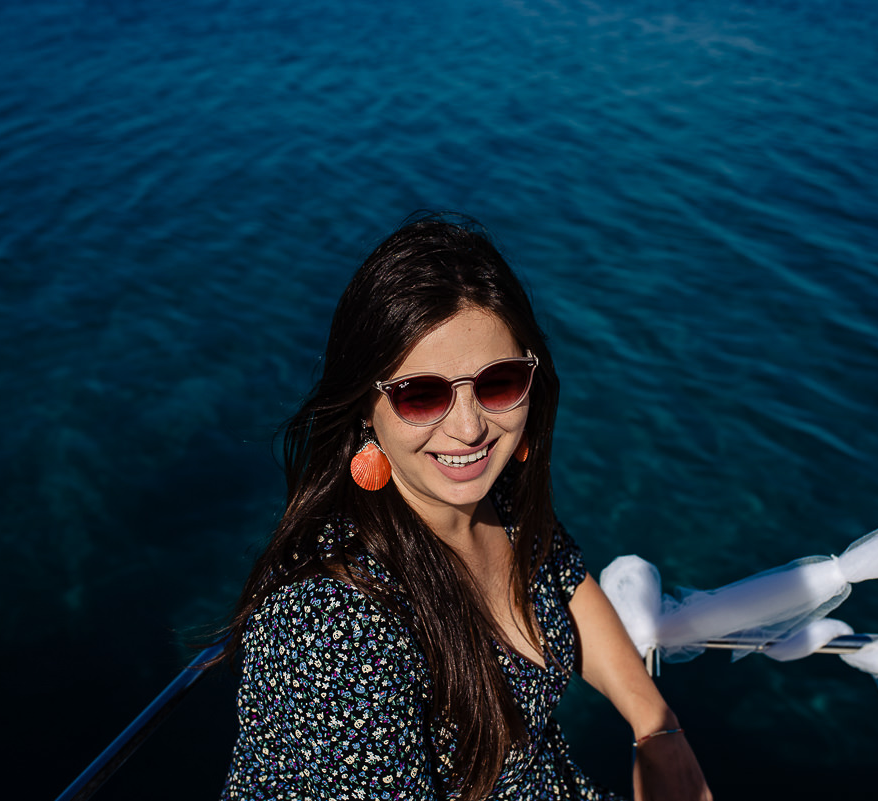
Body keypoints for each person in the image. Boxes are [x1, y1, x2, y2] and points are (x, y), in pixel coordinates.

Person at [217, 214, 711, 800]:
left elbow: (561, 577)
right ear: (361, 409)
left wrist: (655, 724)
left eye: (498, 383)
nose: (470, 427)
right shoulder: (332, 625)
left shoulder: (500, 501)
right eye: (421, 394)